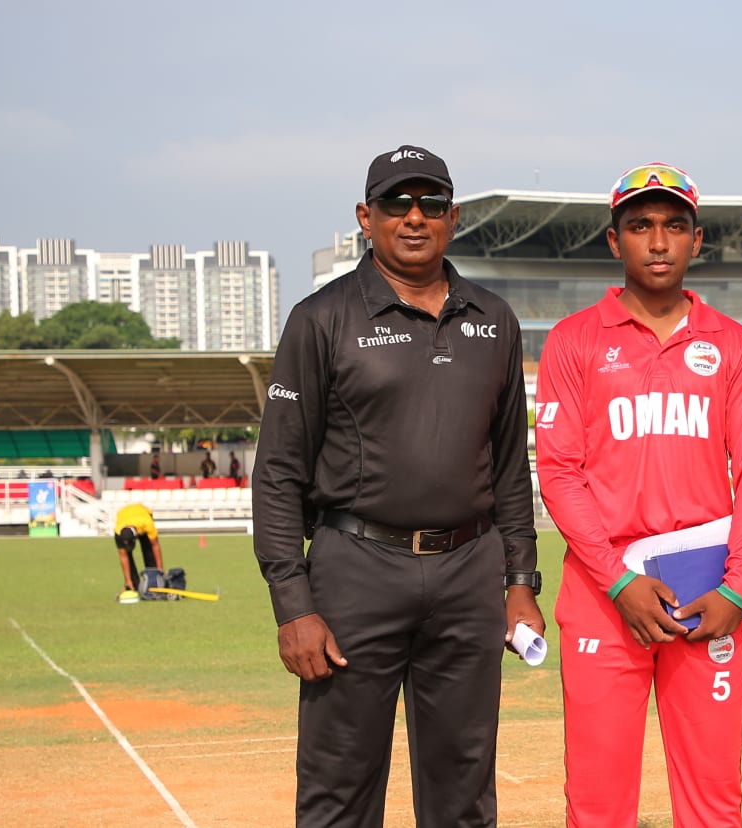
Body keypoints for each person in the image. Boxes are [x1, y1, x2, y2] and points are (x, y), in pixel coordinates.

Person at [252, 143, 544, 827]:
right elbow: (278, 473)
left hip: (469, 574)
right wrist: (292, 603)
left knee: (464, 791)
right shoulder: (321, 318)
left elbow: (508, 467)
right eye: (396, 203)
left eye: (431, 203)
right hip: (356, 573)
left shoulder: (493, 320)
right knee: (339, 791)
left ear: (453, 216)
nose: (414, 217)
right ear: (366, 215)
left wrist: (521, 584)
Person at [535, 163, 742, 826]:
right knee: (597, 803)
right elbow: (557, 471)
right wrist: (618, 582)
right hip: (602, 599)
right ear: (615, 242)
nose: (659, 241)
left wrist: (736, 587)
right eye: (640, 226)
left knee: (711, 803)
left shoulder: (733, 344)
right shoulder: (573, 341)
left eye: (675, 226)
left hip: (707, 599)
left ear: (697, 241)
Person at [113, 502, 166, 601]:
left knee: (148, 548)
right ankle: (132, 584)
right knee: (127, 554)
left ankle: (153, 580)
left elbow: (155, 545)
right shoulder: (118, 532)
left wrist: (160, 570)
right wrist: (128, 580)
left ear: (135, 538)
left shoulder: (147, 524)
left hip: (143, 513)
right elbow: (123, 556)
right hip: (124, 515)